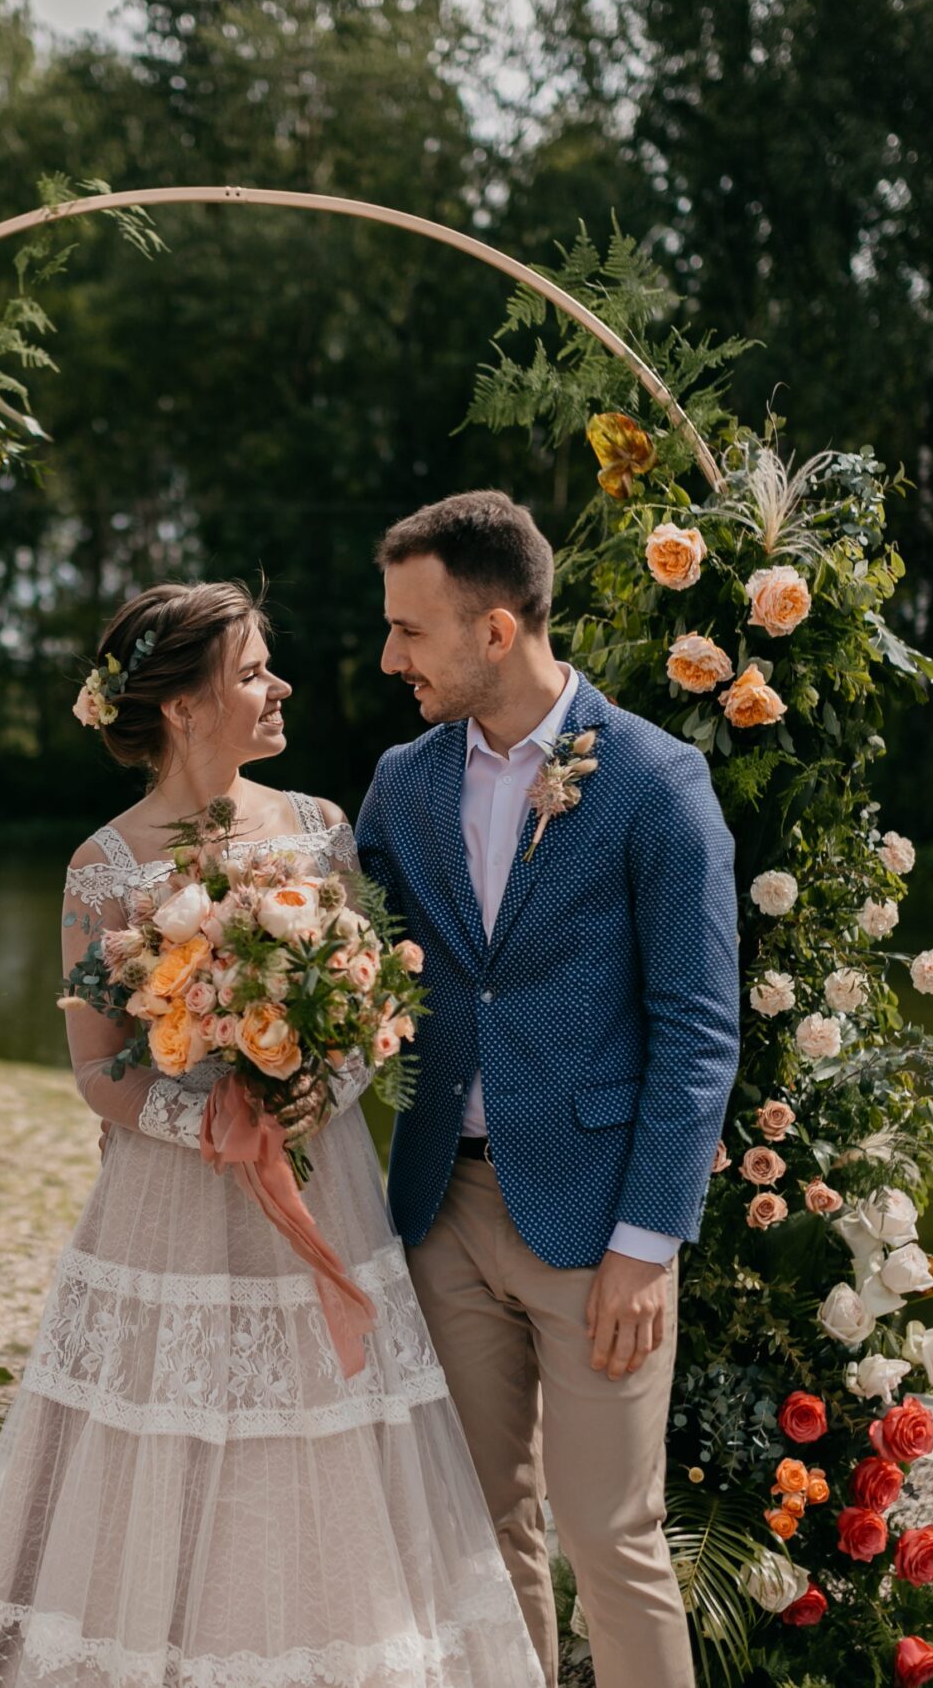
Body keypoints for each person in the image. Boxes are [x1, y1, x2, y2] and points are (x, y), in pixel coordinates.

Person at [0, 580, 546, 1688]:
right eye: (252, 671)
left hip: (323, 1178)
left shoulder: (319, 829)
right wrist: (212, 1117)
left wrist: (317, 1092)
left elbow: (376, 1000)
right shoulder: (102, 867)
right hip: (172, 1198)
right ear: (182, 707)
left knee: (325, 1432)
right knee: (166, 1433)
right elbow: (99, 1072)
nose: (278, 685)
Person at [355, 491, 740, 1686]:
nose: (387, 657)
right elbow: (346, 960)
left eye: (410, 631)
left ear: (495, 629)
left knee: (608, 1535)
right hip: (442, 1212)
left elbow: (697, 1032)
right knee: (480, 1532)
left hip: (596, 1227)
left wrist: (646, 1241)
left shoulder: (653, 782)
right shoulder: (400, 783)